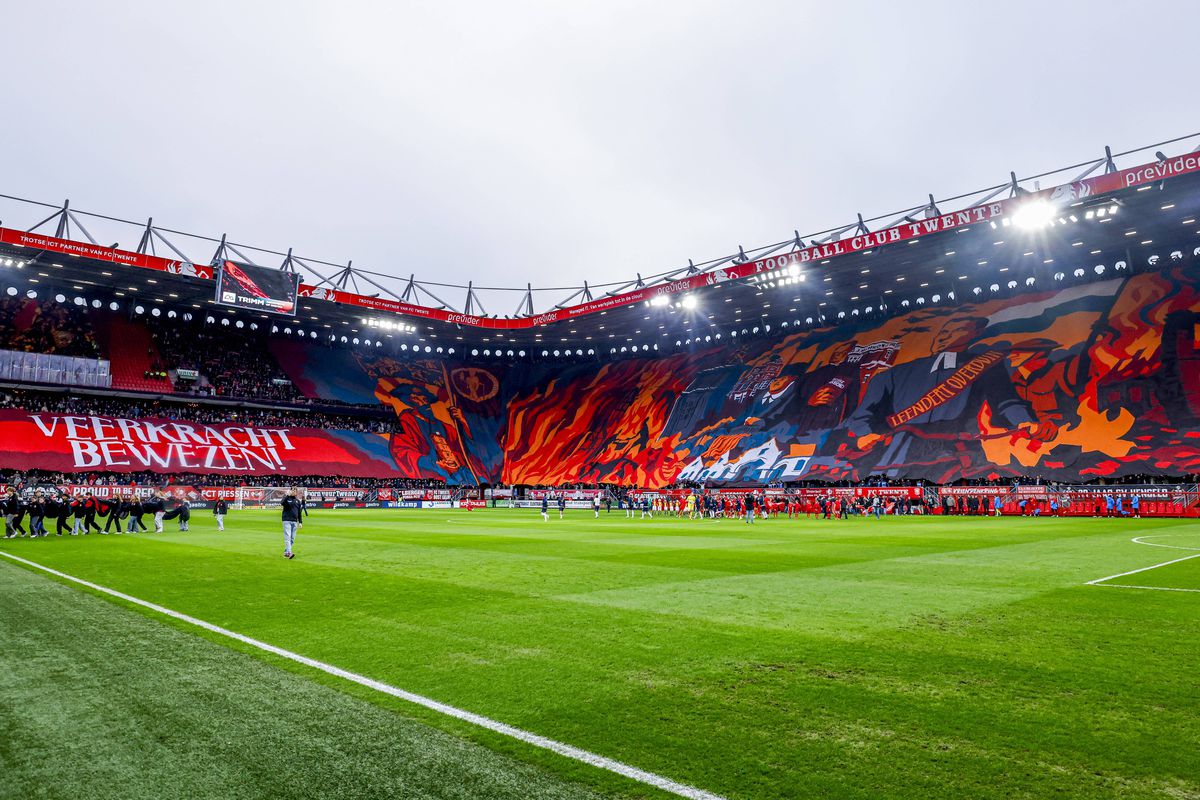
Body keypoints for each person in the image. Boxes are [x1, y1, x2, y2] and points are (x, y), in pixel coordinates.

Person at [281, 488, 306, 559]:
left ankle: (286, 552)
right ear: (290, 491)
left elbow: (299, 513)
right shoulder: (286, 498)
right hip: (286, 520)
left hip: (294, 521)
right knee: (287, 537)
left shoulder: (297, 501)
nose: (294, 491)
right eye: (293, 490)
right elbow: (282, 503)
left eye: (295, 490)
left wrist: (300, 522)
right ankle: (289, 552)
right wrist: (286, 495)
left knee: (292, 538)